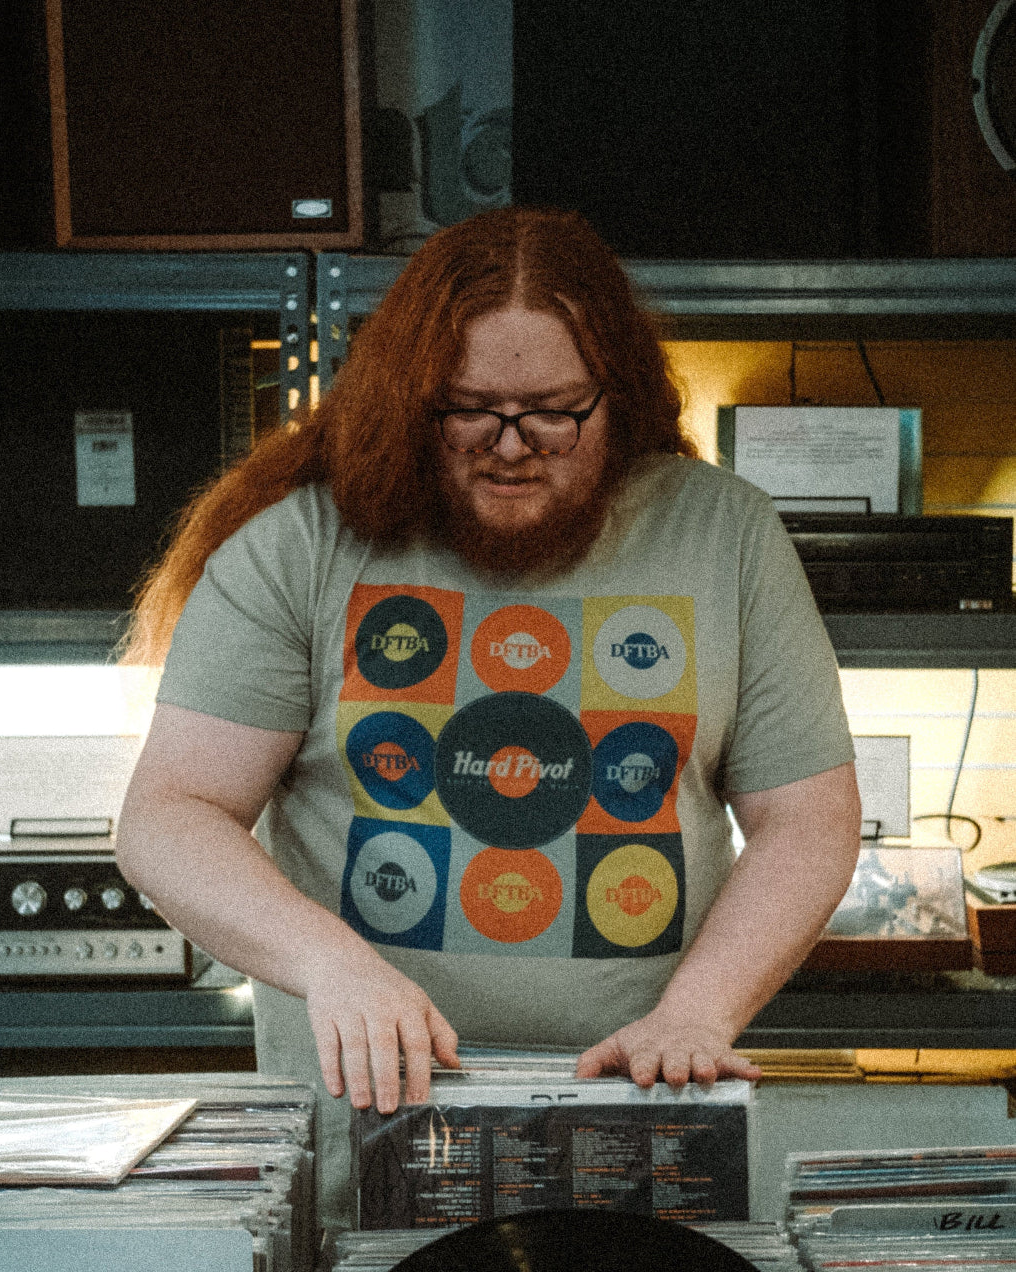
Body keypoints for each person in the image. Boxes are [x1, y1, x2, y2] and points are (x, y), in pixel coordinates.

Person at [115, 206, 861, 1225]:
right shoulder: (300, 545)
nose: (511, 447)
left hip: (641, 1126)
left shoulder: (723, 533)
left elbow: (807, 818)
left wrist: (696, 1012)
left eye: (556, 410)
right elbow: (169, 813)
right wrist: (332, 966)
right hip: (366, 1136)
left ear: (621, 393)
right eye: (468, 409)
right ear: (407, 396)